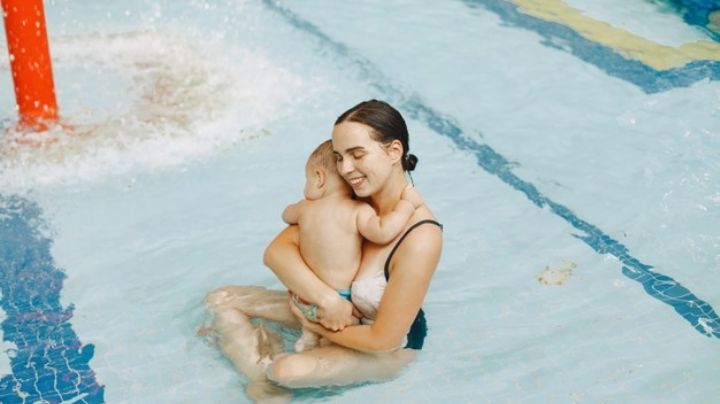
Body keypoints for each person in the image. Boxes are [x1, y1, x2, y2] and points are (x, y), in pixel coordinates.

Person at [203, 100, 443, 402]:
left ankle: (271, 380)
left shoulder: (420, 237)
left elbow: (384, 339)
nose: (345, 169)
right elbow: (276, 253)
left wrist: (313, 324)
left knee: (285, 370)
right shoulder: (351, 199)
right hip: (331, 312)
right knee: (221, 300)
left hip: (385, 347)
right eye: (339, 157)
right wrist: (326, 300)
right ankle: (261, 382)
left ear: (394, 152)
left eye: (357, 155)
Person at [282, 138, 422, 352]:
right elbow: (383, 232)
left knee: (311, 332)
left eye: (306, 180)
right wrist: (406, 206)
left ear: (319, 178)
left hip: (303, 298)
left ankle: (308, 337)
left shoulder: (304, 209)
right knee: (338, 341)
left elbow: (286, 215)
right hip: (342, 303)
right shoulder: (358, 211)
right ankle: (320, 344)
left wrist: (301, 208)